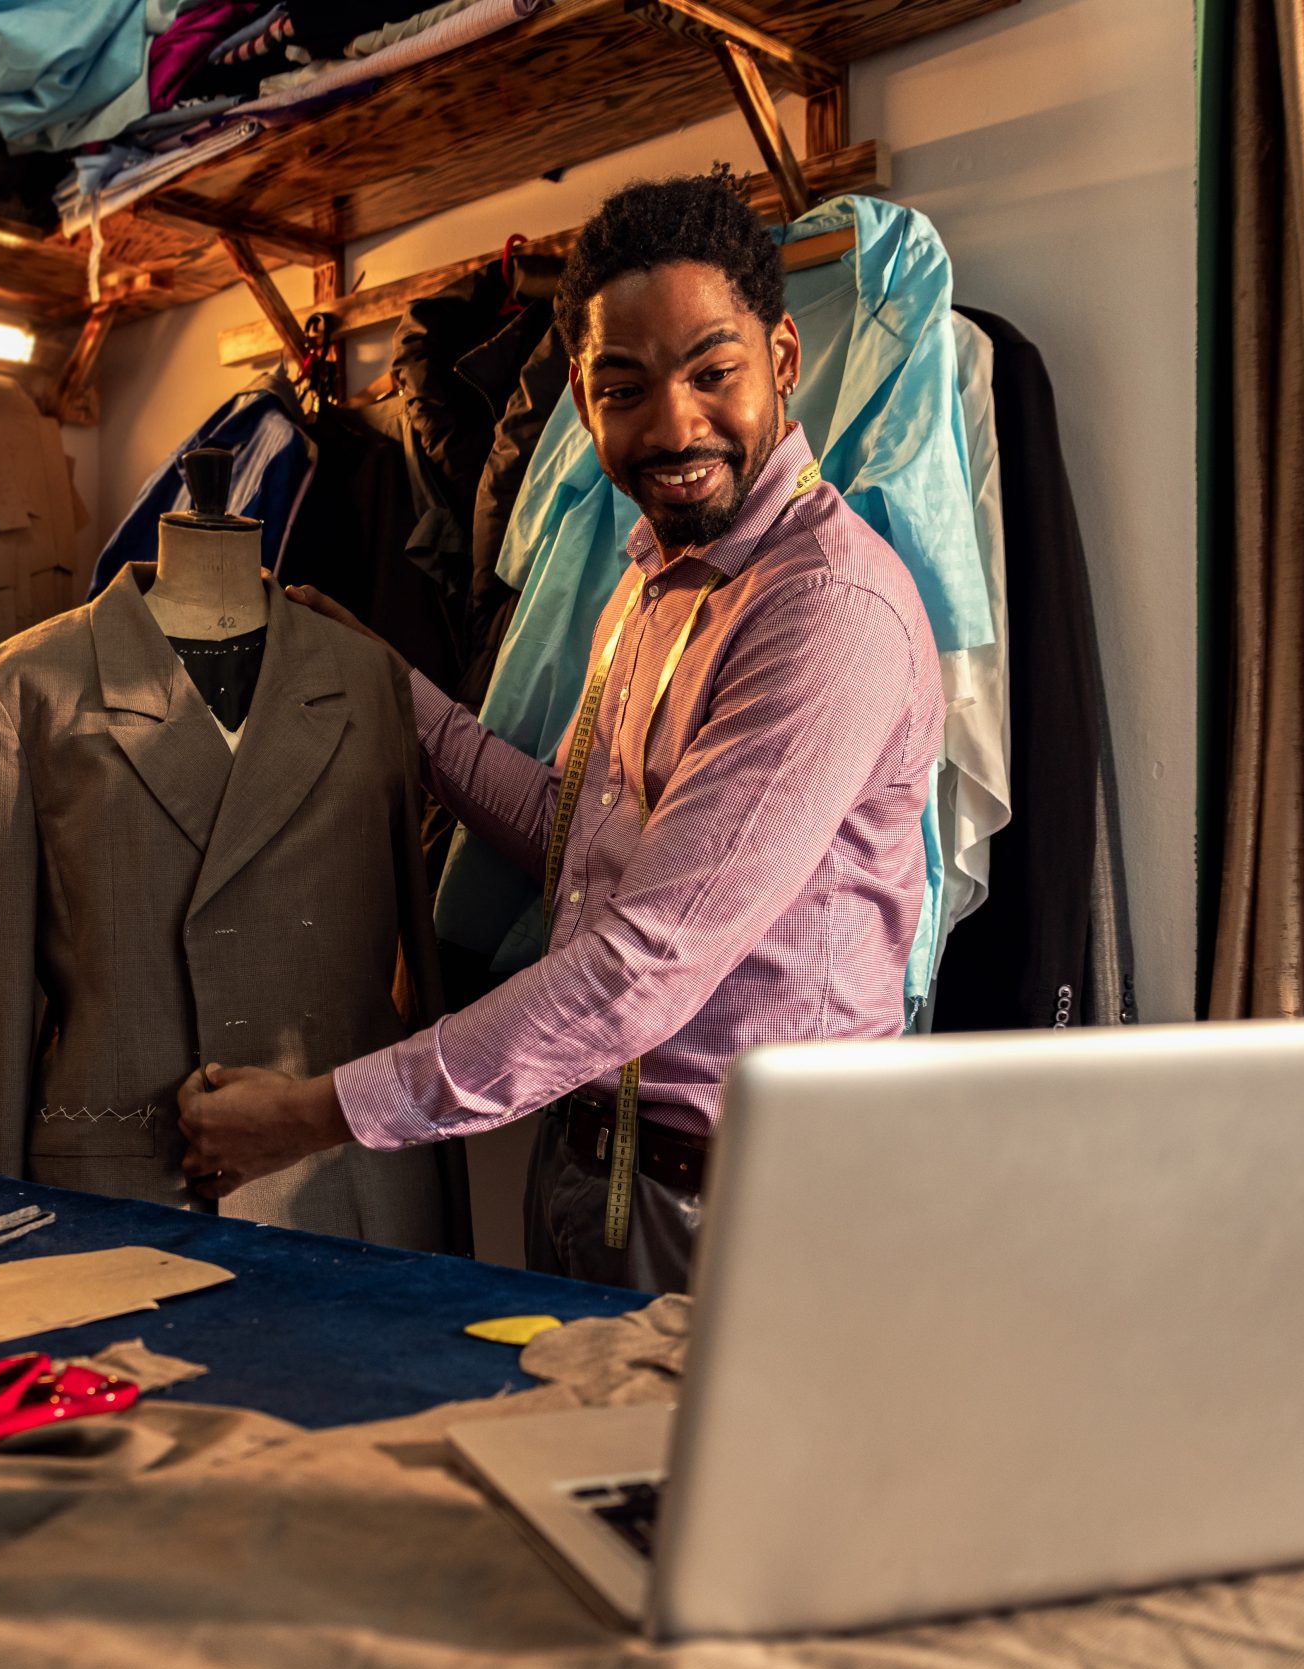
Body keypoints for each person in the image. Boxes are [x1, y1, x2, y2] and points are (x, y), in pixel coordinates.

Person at [175, 173, 945, 1292]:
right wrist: (390, 687)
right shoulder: (653, 584)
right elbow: (577, 840)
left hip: (748, 1212)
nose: (675, 426)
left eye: (713, 373)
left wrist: (308, 1116)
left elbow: (645, 966)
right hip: (597, 1171)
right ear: (584, 404)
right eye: (626, 388)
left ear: (782, 360)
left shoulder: (824, 608)